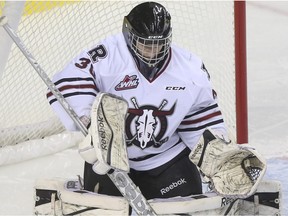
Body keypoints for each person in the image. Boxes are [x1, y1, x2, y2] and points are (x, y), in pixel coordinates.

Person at [47, 2, 229, 200]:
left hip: (167, 160)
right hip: (110, 163)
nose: (152, 52)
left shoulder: (190, 69)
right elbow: (68, 83)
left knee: (187, 209)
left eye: (158, 44)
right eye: (145, 43)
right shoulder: (108, 55)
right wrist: (91, 126)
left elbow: (201, 117)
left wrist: (218, 159)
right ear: (129, 35)